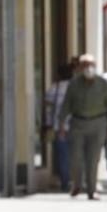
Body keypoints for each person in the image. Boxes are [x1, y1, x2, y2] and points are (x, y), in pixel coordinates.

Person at [58, 54, 107, 200]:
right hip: (78, 124)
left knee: (93, 158)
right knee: (76, 157)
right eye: (85, 65)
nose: (88, 68)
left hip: (98, 124)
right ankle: (77, 184)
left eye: (91, 64)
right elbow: (66, 105)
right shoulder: (74, 84)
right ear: (80, 67)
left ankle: (92, 190)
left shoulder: (102, 83)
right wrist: (61, 124)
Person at [44, 63, 74, 192]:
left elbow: (47, 106)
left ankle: (65, 182)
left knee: (63, 155)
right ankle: (77, 180)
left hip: (58, 126)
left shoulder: (54, 88)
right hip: (75, 126)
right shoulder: (76, 88)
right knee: (76, 154)